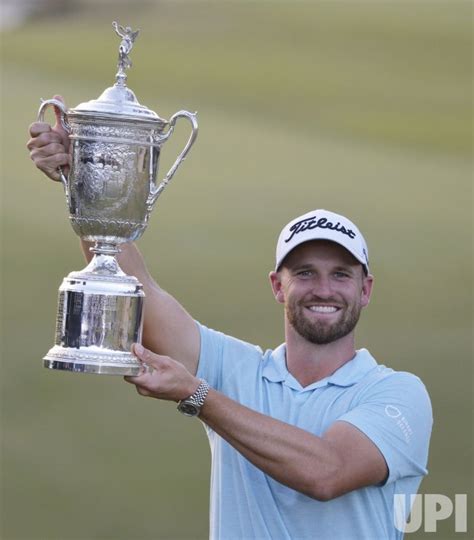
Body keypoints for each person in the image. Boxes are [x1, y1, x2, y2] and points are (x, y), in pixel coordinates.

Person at [27, 100, 432, 540]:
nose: (324, 289)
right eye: (305, 273)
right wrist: (89, 177)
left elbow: (327, 472)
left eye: (341, 275)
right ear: (278, 286)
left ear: (365, 290)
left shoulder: (397, 393)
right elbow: (137, 284)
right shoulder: (236, 370)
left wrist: (199, 395)